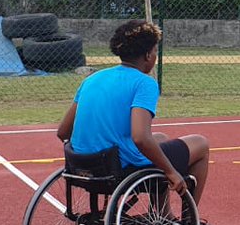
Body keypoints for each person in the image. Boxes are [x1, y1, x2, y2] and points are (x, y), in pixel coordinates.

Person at [56, 20, 210, 205]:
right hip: (118, 170)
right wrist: (170, 171)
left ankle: (164, 216)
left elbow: (63, 132)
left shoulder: (92, 79)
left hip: (82, 166)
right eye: (154, 51)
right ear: (147, 55)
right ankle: (189, 224)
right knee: (200, 144)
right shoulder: (144, 83)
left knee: (159, 138)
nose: (155, 56)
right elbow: (140, 138)